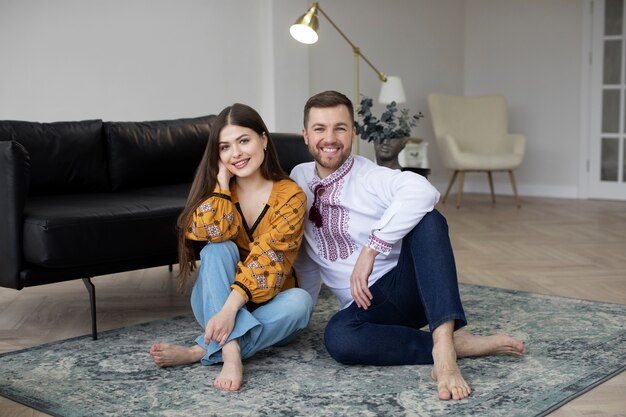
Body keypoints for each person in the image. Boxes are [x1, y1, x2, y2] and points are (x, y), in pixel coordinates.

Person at [291, 91, 525, 401]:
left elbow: (423, 190)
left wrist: (372, 248)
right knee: (338, 337)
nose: (330, 138)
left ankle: (443, 348)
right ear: (305, 135)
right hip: (366, 309)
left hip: (410, 289)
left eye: (340, 128)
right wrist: (299, 314)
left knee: (429, 220)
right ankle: (457, 344)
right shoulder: (298, 179)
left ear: (353, 133)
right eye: (320, 128)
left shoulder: (369, 176)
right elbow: (306, 256)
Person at [150, 103, 313, 392]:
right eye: (225, 147)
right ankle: (230, 353)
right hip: (213, 300)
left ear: (263, 139)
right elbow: (205, 230)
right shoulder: (218, 192)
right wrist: (222, 186)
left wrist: (229, 311)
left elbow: (270, 258)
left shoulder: (292, 196)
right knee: (216, 248)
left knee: (301, 303)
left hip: (267, 307)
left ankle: (200, 350)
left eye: (243, 141)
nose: (236, 153)